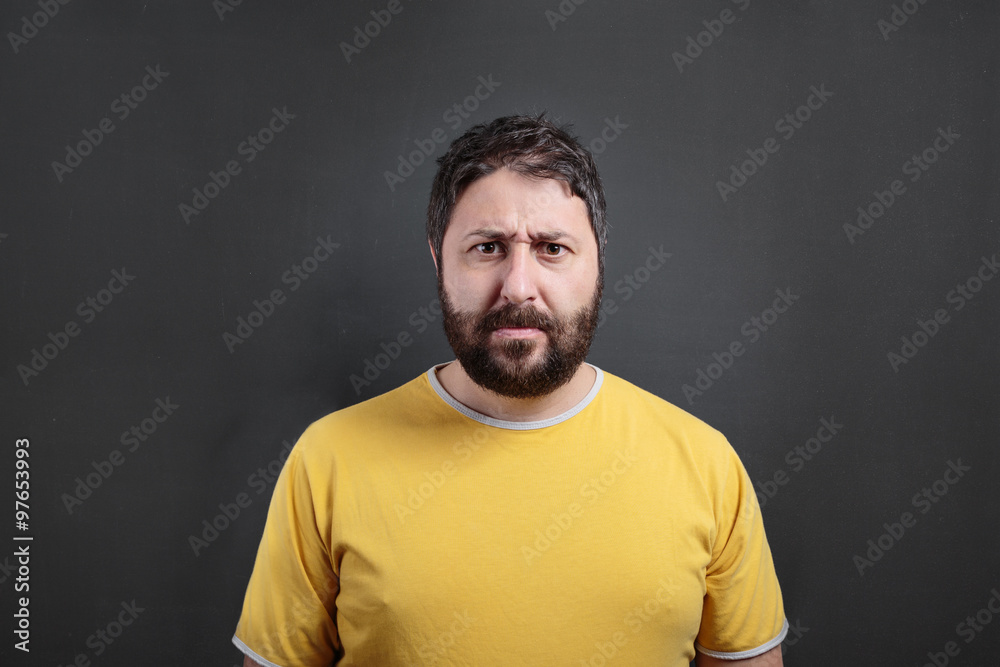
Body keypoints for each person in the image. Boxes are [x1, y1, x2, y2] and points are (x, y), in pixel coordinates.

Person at [233, 114, 787, 666]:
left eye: (551, 248)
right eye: (488, 247)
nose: (519, 287)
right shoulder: (327, 459)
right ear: (438, 258)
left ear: (598, 261)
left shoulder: (706, 465)